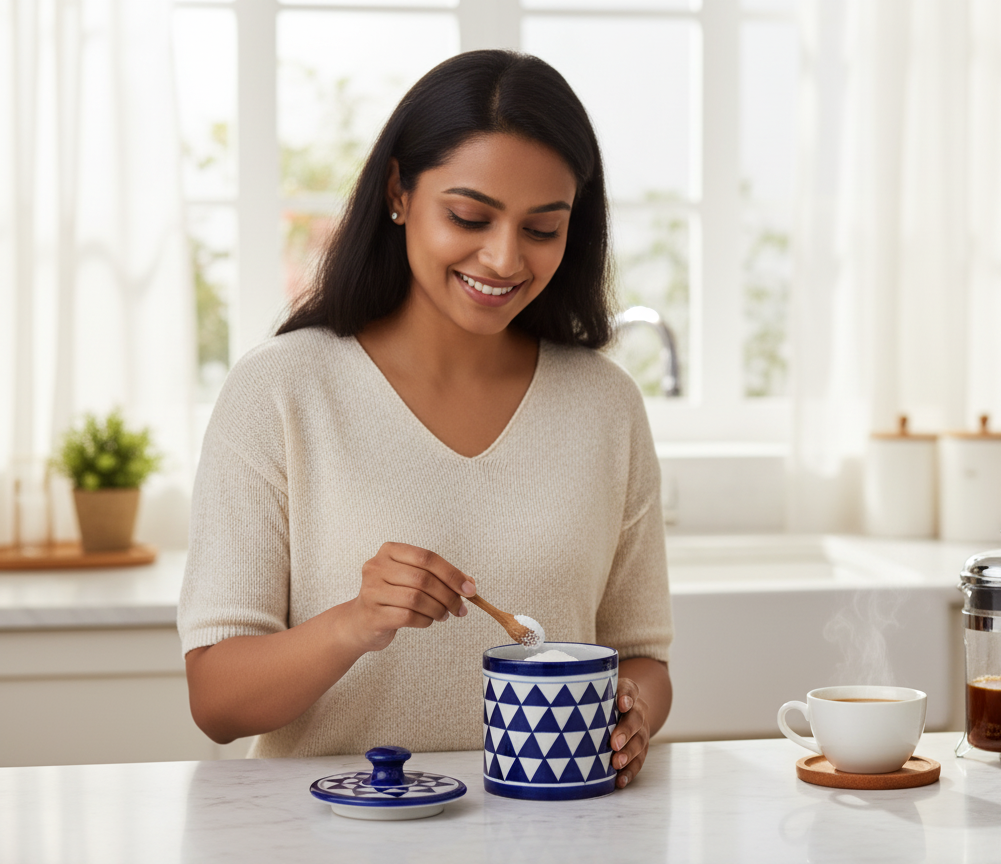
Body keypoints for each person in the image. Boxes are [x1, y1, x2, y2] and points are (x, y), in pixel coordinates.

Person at [178, 50, 673, 789]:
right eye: (469, 217)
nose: (503, 258)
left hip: (549, 828)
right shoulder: (280, 390)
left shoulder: (606, 405)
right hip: (333, 830)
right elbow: (217, 702)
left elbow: (642, 657)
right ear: (398, 193)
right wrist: (355, 622)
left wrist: (634, 715)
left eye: (542, 228)